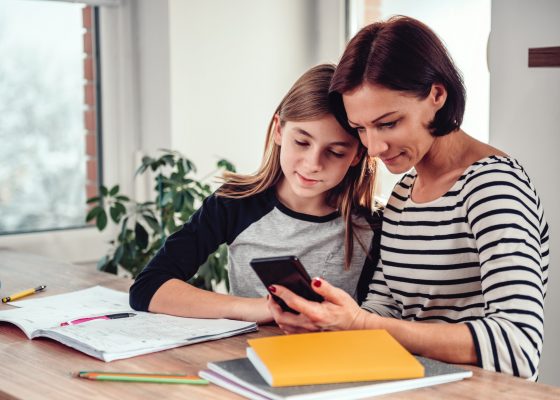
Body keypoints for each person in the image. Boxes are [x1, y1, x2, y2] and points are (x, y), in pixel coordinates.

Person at [267, 16, 549, 381]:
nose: (373, 147)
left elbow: (518, 347)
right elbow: (384, 311)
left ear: (437, 95)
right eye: (360, 129)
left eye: (388, 123)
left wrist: (363, 325)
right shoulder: (403, 196)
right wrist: (330, 324)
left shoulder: (493, 189)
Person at [129, 64, 382, 325]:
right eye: (302, 142)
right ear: (279, 130)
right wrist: (257, 308)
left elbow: (380, 318)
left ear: (358, 155)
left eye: (336, 152)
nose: (313, 163)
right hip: (251, 356)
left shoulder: (375, 224)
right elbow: (148, 287)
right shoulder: (233, 204)